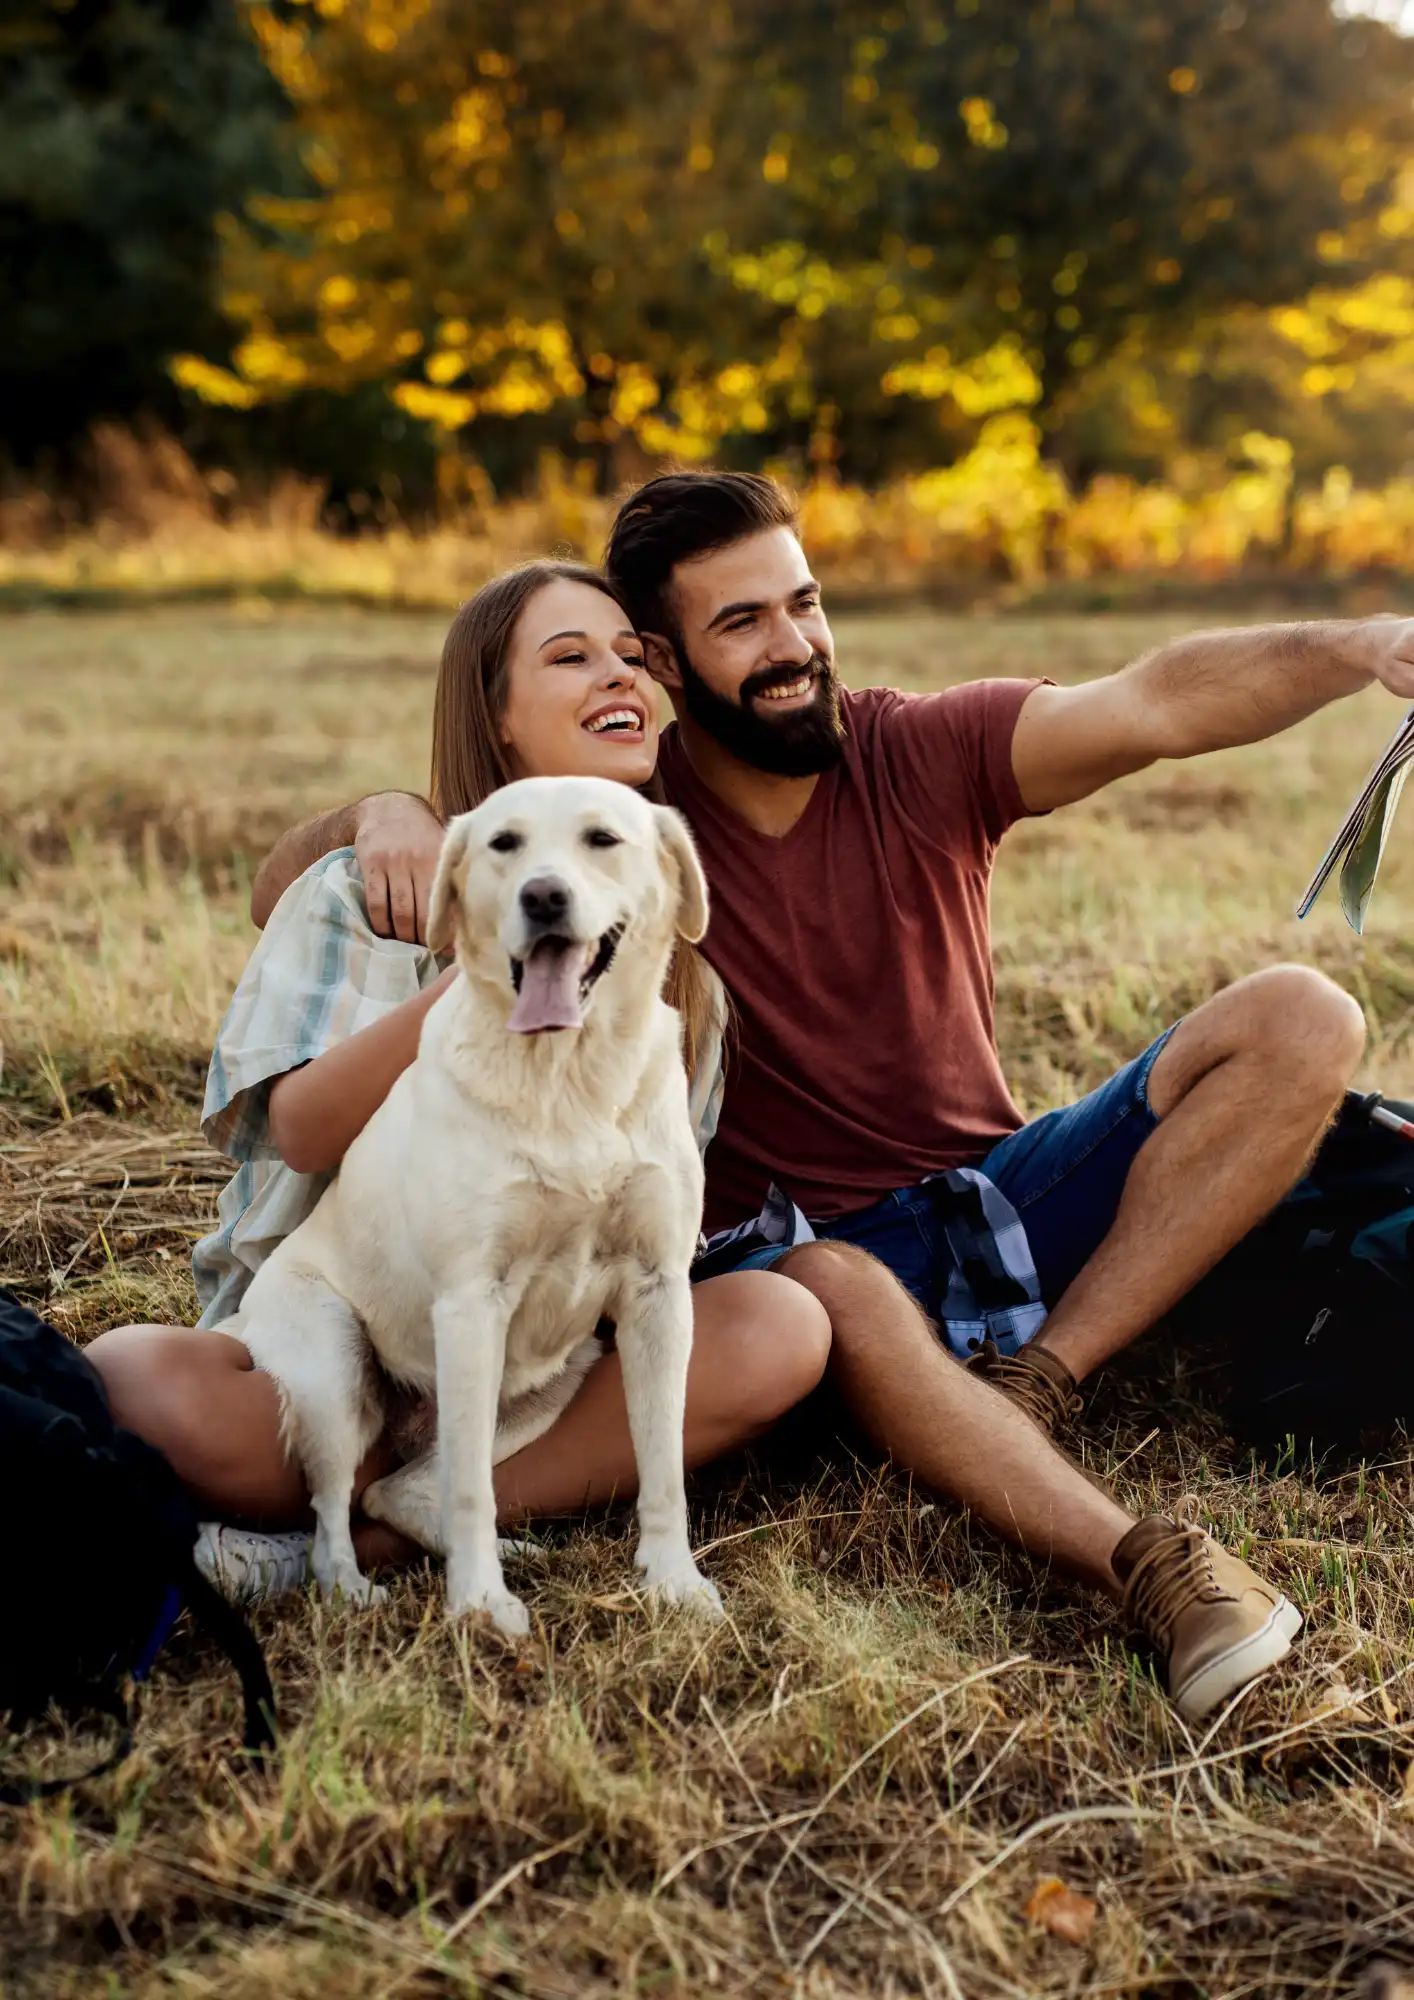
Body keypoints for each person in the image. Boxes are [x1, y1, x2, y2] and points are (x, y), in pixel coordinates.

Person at [235, 518, 1356, 1726]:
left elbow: (1157, 701)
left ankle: (1035, 1380)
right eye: (741, 622)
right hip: (799, 1261)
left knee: (1302, 1014)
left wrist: (1368, 645)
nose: (793, 644)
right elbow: (301, 884)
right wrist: (381, 809)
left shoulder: (906, 746)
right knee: (831, 1283)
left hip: (991, 1191)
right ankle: (1148, 1569)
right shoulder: (598, 824)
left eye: (802, 603)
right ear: (674, 666)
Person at [87, 562, 833, 1604]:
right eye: (570, 657)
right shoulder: (371, 880)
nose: (618, 675)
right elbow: (299, 1128)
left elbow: (636, 1263)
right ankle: (344, 1508)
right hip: (322, 1344)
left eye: (632, 655)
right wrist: (482, 975)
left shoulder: (674, 975)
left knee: (781, 1326)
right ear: (496, 715)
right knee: (133, 1378)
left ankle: (383, 1530)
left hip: (526, 1375)